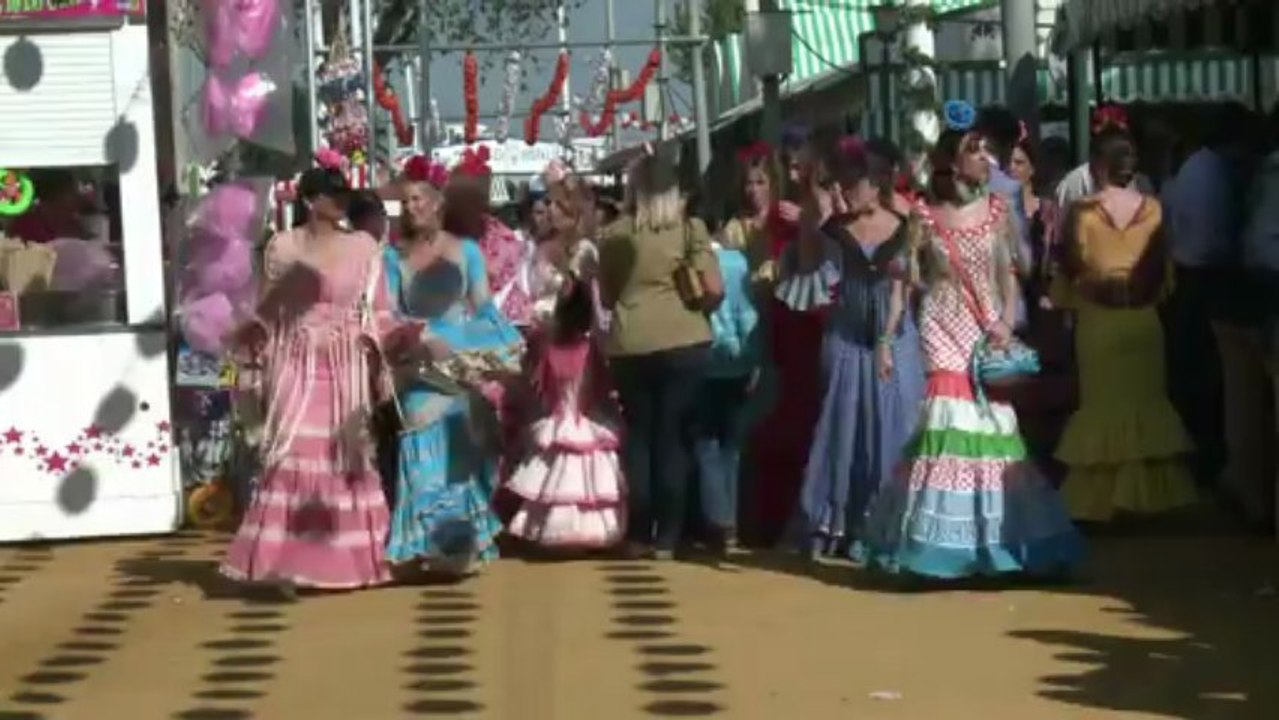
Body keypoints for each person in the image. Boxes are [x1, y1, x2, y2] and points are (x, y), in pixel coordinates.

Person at [858, 107, 1083, 579]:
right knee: (947, 420)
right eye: (974, 150)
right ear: (951, 159)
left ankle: (996, 540)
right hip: (940, 326)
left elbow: (1010, 274)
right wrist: (886, 338)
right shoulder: (923, 214)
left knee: (991, 426)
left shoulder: (999, 211)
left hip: (983, 333)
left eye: (986, 149)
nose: (985, 158)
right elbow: (903, 281)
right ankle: (935, 547)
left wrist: (1004, 320)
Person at [221, 167, 417, 592]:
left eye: (346, 194)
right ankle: (282, 563)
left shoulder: (363, 247)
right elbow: (266, 310)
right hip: (294, 361)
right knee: (290, 452)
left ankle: (346, 562)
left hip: (346, 364)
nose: (343, 202)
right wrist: (248, 354)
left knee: (344, 457)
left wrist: (393, 344)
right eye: (334, 195)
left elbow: (378, 309)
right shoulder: (283, 247)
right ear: (311, 201)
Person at [779, 137, 925, 560]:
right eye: (844, 180)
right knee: (841, 432)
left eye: (855, 181)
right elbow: (810, 273)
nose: (848, 188)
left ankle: (890, 525)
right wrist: (815, 211)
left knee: (893, 430)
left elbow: (920, 284)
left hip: (895, 343)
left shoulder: (907, 226)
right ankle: (837, 526)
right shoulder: (833, 230)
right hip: (845, 340)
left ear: (877, 184)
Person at [381, 153, 523, 576]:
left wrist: (499, 349)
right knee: (422, 457)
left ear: (439, 202)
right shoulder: (392, 258)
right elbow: (387, 312)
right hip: (417, 370)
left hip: (459, 367)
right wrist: (412, 339)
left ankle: (455, 546)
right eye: (406, 202)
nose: (412, 208)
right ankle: (431, 544)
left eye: (419, 199)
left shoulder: (466, 252)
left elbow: (482, 308)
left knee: (458, 462)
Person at [1051, 124, 1197, 522]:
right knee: (1146, 403)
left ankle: (1098, 501)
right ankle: (1151, 500)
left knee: (1101, 406)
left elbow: (1071, 272)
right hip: (1142, 321)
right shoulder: (1154, 209)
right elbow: (1163, 276)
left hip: (1098, 324)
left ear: (1097, 166)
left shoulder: (1082, 212)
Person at [598, 146, 722, 560]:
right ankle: (668, 537)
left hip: (631, 341)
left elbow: (608, 294)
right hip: (684, 337)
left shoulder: (615, 234)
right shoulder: (691, 230)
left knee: (639, 438)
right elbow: (714, 289)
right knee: (673, 439)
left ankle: (637, 532)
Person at [506, 274, 625, 549]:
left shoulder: (549, 351)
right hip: (585, 415)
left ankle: (552, 531)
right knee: (590, 481)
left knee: (553, 477)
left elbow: (543, 388)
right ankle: (594, 532)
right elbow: (601, 387)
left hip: (558, 416)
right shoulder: (591, 349)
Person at [692, 214, 762, 553]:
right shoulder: (739, 263)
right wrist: (754, 359)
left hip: (704, 360)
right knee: (732, 447)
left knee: (706, 444)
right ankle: (731, 521)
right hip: (737, 361)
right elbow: (748, 314)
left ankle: (715, 519)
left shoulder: (696, 262)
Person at [8, 170, 89, 243]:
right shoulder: (27, 226)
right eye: (70, 192)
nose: (77, 197)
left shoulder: (72, 224)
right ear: (55, 195)